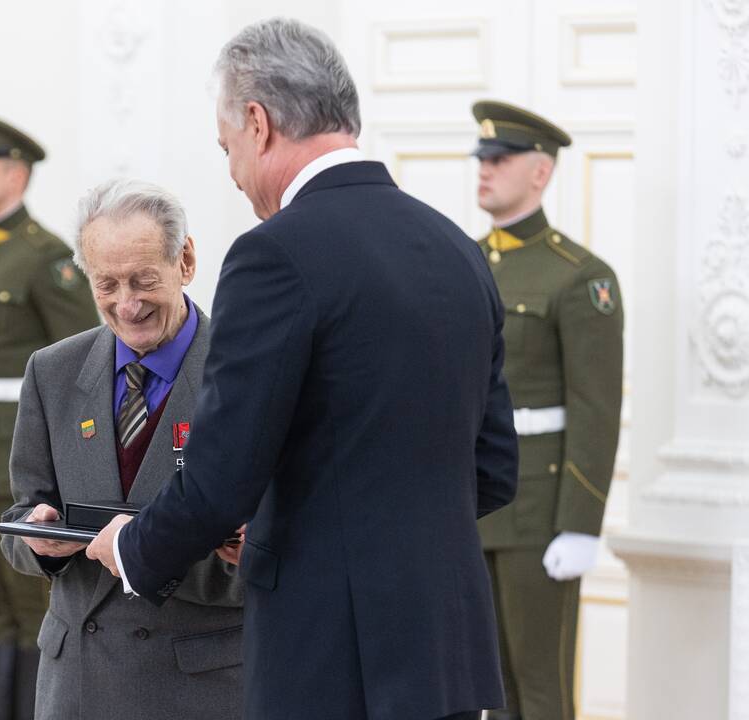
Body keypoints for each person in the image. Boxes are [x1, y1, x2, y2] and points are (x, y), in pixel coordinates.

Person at [86, 18, 519, 720]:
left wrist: (133, 547)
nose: (231, 170)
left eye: (227, 147)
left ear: (257, 124)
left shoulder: (272, 256)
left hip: (332, 661)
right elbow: (494, 468)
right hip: (448, 650)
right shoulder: (459, 250)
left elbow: (223, 477)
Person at [0, 179, 244, 720]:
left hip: (202, 686)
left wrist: (144, 556)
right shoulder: (52, 371)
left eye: (143, 280)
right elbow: (19, 521)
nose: (126, 305)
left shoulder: (247, 371)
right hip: (79, 685)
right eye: (105, 284)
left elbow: (277, 549)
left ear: (186, 260)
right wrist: (39, 541)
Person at [470, 100, 624, 720]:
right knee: (489, 693)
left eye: (499, 159)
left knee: (542, 692)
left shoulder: (581, 277)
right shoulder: (464, 260)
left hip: (540, 512)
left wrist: (581, 522)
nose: (483, 170)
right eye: (481, 158)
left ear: (540, 171)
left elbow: (597, 408)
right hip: (473, 502)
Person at [0, 113, 99, 720]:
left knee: (33, 606)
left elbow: (79, 366)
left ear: (16, 174)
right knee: (2, 611)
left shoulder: (48, 257)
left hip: (21, 447)